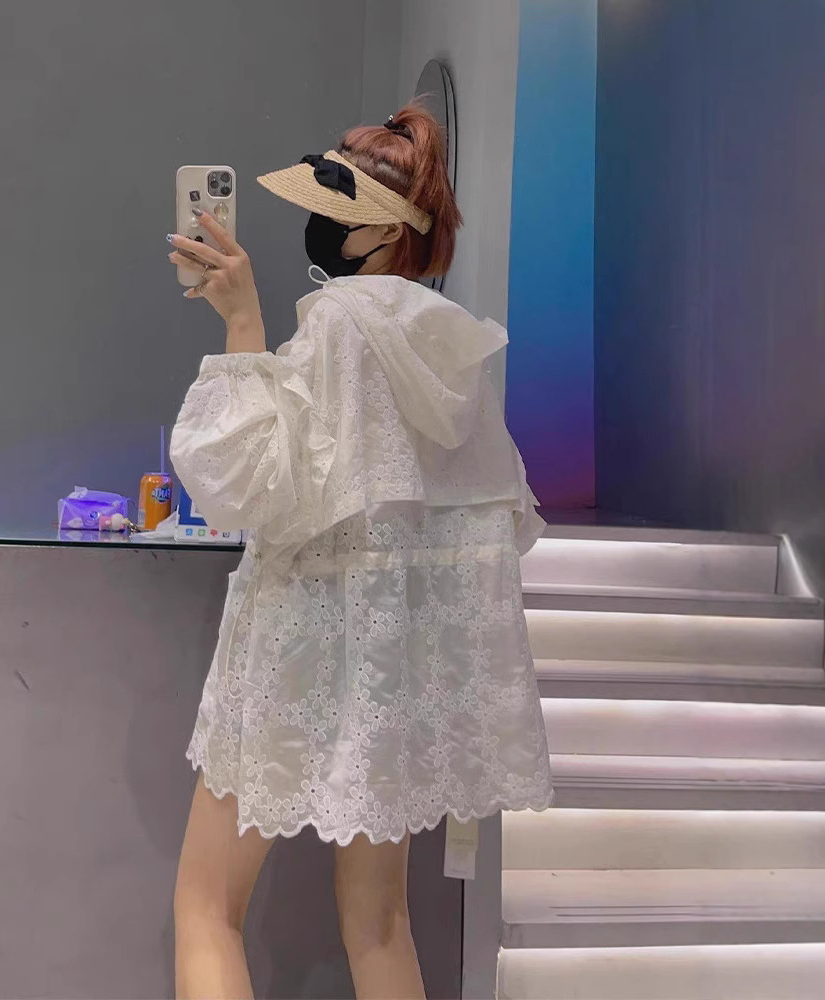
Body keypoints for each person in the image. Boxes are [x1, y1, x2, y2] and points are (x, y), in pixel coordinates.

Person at [166, 101, 553, 1000]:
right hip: (395, 671)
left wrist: (242, 325)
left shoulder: (338, 323)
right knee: (380, 924)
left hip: (297, 649)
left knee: (206, 907)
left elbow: (245, 482)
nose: (315, 222)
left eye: (331, 208)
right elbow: (500, 523)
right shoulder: (451, 345)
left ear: (382, 231)